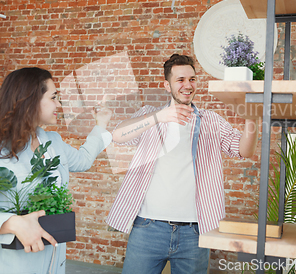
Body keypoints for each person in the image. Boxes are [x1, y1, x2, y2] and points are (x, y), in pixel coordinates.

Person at [106, 54, 258, 273]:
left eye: (192, 79)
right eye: (180, 80)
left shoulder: (211, 121)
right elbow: (118, 135)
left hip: (194, 233)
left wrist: (252, 118)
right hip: (147, 228)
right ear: (166, 85)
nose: (188, 85)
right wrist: (160, 116)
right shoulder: (150, 115)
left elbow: (244, 150)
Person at [0, 67, 112, 274]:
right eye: (53, 97)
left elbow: (83, 160)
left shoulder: (53, 141)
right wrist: (13, 224)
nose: (58, 104)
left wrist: (101, 123)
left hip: (53, 260)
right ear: (30, 101)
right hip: (10, 265)